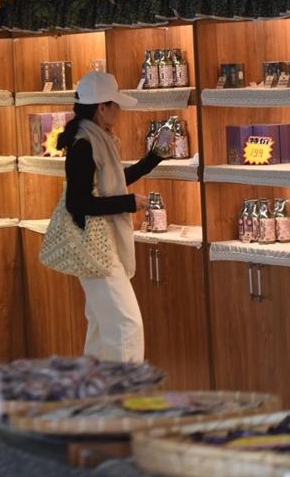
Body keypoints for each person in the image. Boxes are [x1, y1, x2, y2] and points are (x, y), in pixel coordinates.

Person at [57, 71, 172, 363]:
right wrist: (128, 202)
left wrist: (153, 158)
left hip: (98, 245)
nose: (119, 110)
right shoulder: (85, 144)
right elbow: (77, 202)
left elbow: (114, 182)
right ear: (102, 107)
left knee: (100, 325)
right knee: (126, 325)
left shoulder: (96, 139)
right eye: (116, 104)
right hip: (96, 246)